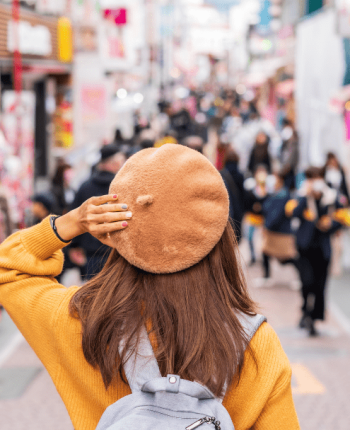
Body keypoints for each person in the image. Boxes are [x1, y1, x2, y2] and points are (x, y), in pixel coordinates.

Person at [0, 144, 299, 430]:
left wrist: (71, 223)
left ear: (117, 228)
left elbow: (7, 266)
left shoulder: (80, 322)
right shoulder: (254, 345)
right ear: (219, 237)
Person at [287, 167, 343, 336]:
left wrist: (331, 225)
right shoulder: (302, 196)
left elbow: (342, 219)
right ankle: (305, 309)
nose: (315, 182)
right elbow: (294, 214)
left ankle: (312, 317)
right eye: (312, 178)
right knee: (307, 282)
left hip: (323, 249)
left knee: (320, 286)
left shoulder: (331, 198)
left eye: (318, 178)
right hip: (305, 248)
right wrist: (306, 196)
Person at [69, 144, 126, 281]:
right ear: (115, 163)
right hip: (119, 252)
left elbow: (76, 216)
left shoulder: (85, 186)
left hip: (91, 254)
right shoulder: (123, 187)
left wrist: (74, 246)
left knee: (93, 297)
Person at [243, 165, 270, 279]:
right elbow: (246, 200)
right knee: (249, 237)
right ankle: (253, 256)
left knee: (263, 238)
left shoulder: (268, 188)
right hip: (251, 216)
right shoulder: (250, 186)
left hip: (262, 218)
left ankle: (262, 257)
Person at [220, 146, 245, 243]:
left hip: (226, 206)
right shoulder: (240, 175)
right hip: (238, 207)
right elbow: (243, 194)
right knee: (236, 233)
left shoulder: (222, 173)